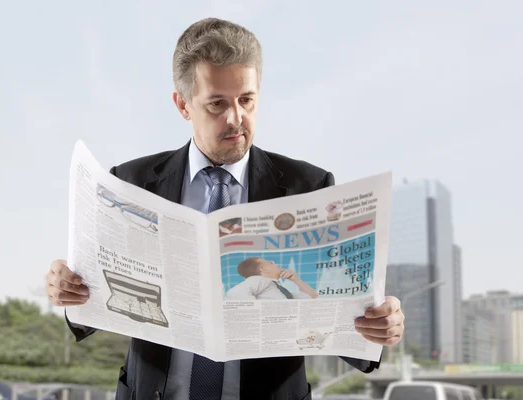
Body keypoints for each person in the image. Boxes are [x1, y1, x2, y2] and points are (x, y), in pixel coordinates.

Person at [45, 17, 405, 400]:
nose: (236, 118)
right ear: (183, 104)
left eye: (246, 100)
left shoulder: (309, 187)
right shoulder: (131, 181)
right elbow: (95, 302)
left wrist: (378, 324)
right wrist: (68, 289)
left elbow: (335, 314)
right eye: (217, 103)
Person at [226, 257, 318, 300]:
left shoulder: (281, 290)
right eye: (271, 263)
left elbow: (313, 297)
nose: (277, 265)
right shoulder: (259, 280)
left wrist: (295, 279)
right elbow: (234, 293)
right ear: (263, 269)